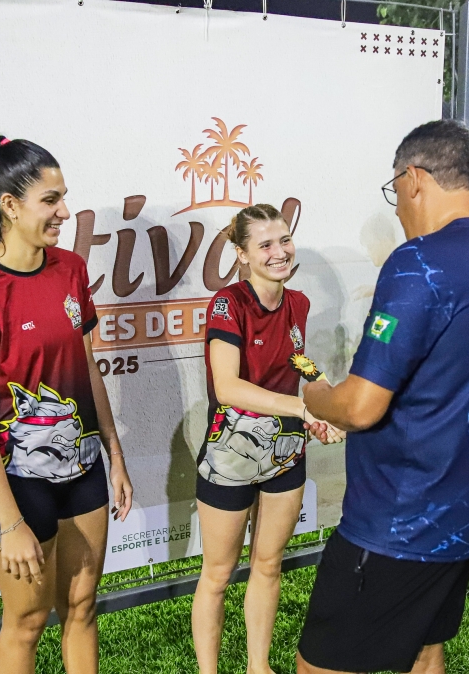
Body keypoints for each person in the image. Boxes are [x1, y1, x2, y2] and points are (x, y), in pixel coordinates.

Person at [295, 120, 469, 674]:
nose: (397, 206)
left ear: (415, 179)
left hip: (399, 521)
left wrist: (316, 395)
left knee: (318, 666)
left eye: (394, 188)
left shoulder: (417, 262)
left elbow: (359, 406)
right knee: (426, 651)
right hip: (466, 510)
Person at [0, 136, 134, 674]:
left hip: (84, 469)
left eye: (63, 197)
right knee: (27, 623)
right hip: (18, 484)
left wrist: (114, 455)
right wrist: (10, 524)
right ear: (9, 204)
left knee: (81, 607)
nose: (64, 212)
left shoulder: (71, 269)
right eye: (51, 200)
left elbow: (87, 367)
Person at [191, 204, 344, 674]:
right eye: (265, 245)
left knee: (268, 563)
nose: (279, 252)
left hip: (285, 452)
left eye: (284, 240)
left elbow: (299, 360)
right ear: (242, 254)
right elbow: (228, 387)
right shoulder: (228, 304)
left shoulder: (298, 303)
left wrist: (325, 401)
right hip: (230, 454)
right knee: (218, 574)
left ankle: (259, 667)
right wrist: (302, 408)